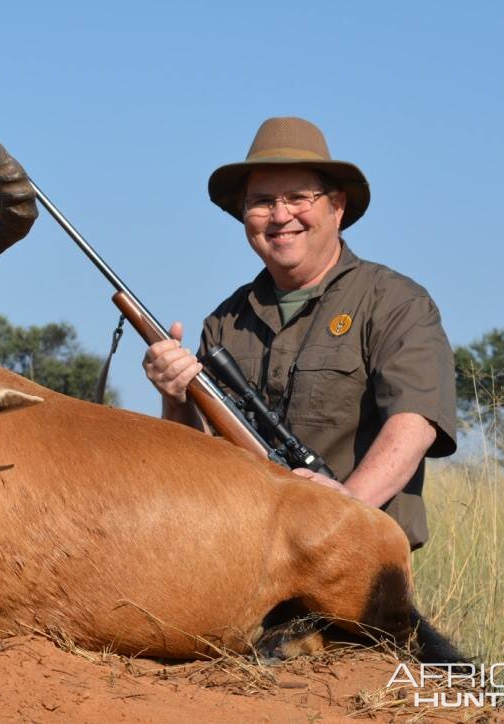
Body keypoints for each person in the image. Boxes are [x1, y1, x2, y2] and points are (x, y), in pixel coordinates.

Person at [143, 116, 456, 550]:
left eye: (298, 197)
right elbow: (202, 458)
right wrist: (174, 397)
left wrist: (348, 504)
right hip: (248, 559)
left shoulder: (395, 301)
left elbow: (415, 423)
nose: (280, 215)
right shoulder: (224, 323)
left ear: (337, 207)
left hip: (356, 554)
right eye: (262, 201)